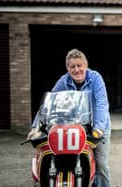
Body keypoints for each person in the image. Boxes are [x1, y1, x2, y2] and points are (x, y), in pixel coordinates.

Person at [28, 48, 111, 187]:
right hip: (75, 127)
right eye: (72, 66)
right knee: (65, 159)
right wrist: (35, 127)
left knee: (101, 166)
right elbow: (48, 105)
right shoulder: (63, 81)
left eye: (79, 65)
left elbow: (102, 104)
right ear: (68, 68)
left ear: (86, 65)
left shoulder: (95, 78)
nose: (76, 69)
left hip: (97, 127)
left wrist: (99, 128)